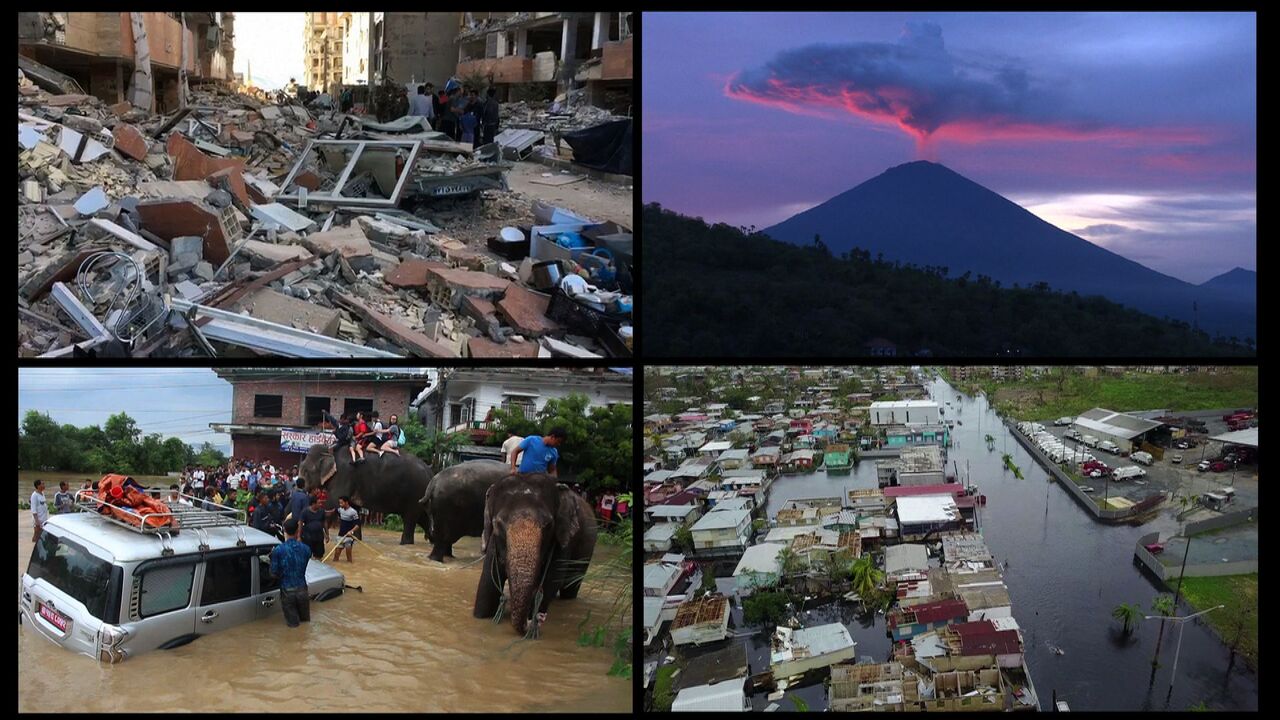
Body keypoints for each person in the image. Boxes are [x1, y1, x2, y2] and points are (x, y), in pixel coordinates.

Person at [269, 518, 312, 627]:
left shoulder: (278, 550)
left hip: (287, 593)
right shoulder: (306, 549)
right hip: (303, 590)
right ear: (298, 531)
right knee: (305, 624)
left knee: (293, 626)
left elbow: (273, 574)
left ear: (284, 531)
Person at [300, 493, 329, 560]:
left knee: (319, 554)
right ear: (313, 504)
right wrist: (299, 536)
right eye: (319, 503)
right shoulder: (305, 512)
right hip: (308, 536)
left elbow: (325, 523)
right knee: (307, 554)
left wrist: (327, 534)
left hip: (319, 536)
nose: (320, 505)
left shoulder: (322, 511)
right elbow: (300, 523)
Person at [334, 496, 362, 563]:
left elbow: (357, 525)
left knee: (349, 556)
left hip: (349, 536)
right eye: (339, 503)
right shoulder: (340, 509)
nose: (340, 505)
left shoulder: (353, 512)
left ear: (346, 502)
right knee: (336, 555)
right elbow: (334, 511)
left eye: (341, 503)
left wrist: (351, 531)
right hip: (341, 535)